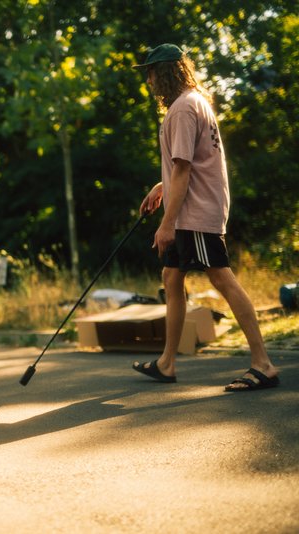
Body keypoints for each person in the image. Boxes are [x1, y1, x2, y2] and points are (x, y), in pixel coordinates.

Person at [131, 44, 280, 391]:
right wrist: (161, 186)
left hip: (194, 214)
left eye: (152, 73)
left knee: (221, 278)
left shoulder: (183, 109)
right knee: (171, 276)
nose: (149, 81)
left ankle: (263, 364)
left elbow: (183, 169)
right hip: (191, 207)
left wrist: (167, 224)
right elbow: (188, 163)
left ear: (166, 72)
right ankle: (167, 362)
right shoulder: (195, 101)